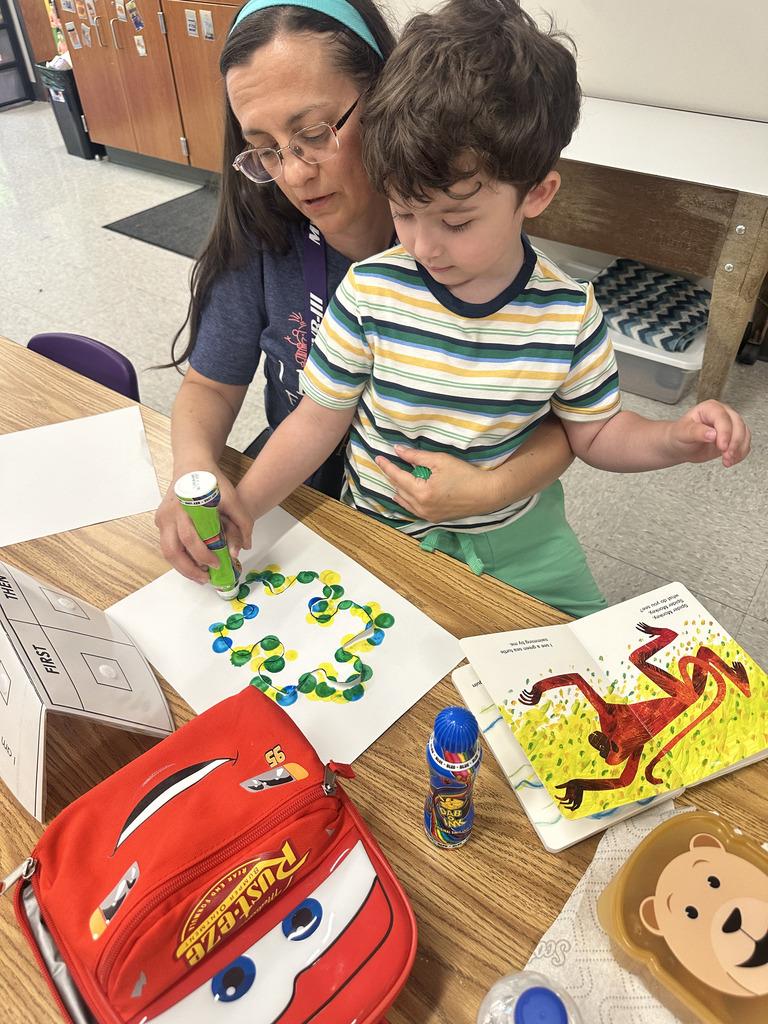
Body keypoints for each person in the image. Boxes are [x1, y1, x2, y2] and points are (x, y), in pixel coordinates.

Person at [224, 0, 750, 618]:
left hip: (522, 543)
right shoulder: (371, 291)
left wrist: (674, 440)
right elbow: (316, 422)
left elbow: (598, 434)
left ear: (537, 194)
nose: (422, 245)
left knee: (587, 662)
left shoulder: (567, 315)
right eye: (403, 211)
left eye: (456, 220)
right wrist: (246, 504)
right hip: (387, 533)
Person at [155, 0, 575, 584]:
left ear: (385, 97)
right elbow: (209, 385)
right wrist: (193, 474)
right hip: (301, 491)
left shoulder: (474, 233)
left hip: (448, 519)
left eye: (312, 133)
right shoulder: (265, 231)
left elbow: (570, 422)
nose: (294, 173)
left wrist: (490, 489)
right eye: (266, 148)